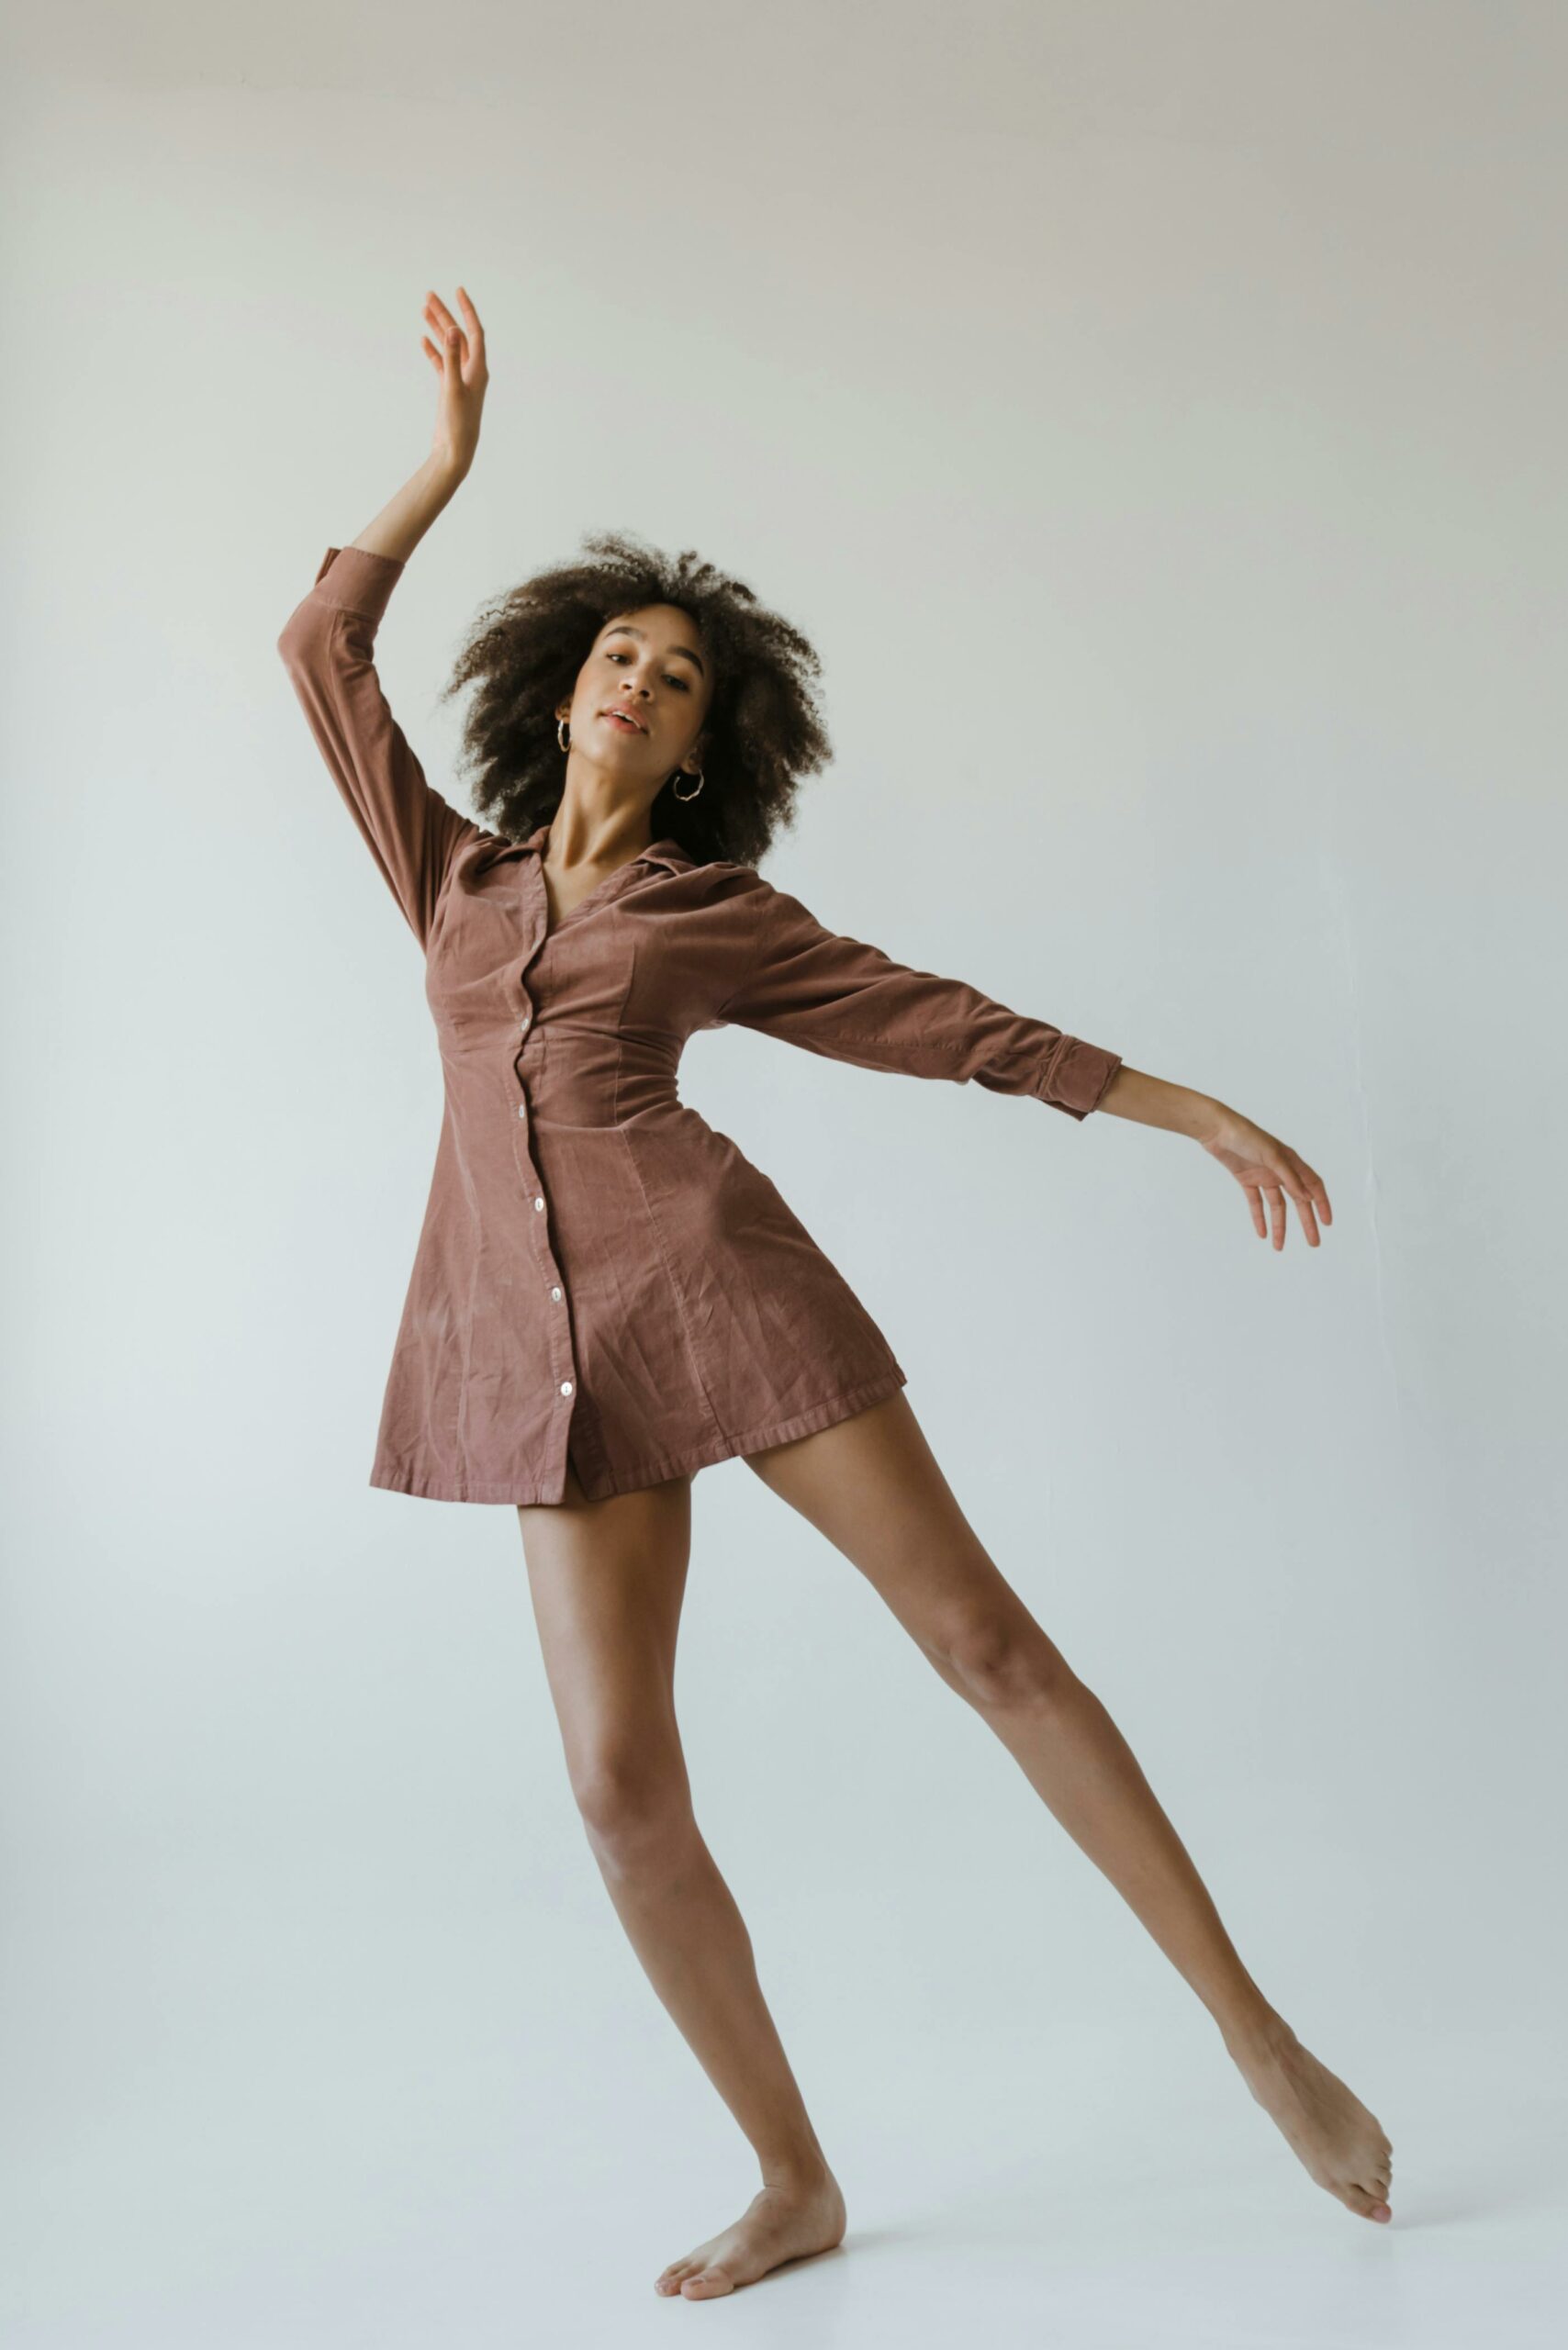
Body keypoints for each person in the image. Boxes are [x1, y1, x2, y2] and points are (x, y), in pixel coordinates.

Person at [276, 286, 1393, 2301]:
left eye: (676, 676)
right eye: (617, 653)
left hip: (732, 1297)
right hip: (537, 1364)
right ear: (556, 690)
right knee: (619, 1787)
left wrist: (1173, 1105)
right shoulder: (445, 874)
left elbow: (928, 1021)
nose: (637, 680)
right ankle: (791, 2175)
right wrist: (444, 461)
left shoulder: (715, 916)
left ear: (709, 742)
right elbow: (315, 647)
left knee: (985, 1644)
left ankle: (1256, 2036)